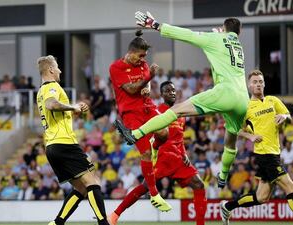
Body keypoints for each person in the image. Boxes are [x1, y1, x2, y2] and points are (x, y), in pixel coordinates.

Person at [114, 11, 249, 188]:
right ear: (238, 32)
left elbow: (188, 35)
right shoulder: (238, 46)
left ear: (223, 29)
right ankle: (223, 175)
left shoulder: (216, 39)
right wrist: (221, 35)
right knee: (230, 141)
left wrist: (155, 25)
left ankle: (136, 134)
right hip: (243, 99)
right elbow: (224, 48)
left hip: (225, 92)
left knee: (175, 111)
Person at [219, 70, 293, 225]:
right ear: (249, 86)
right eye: (255, 82)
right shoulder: (246, 107)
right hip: (264, 154)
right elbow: (233, 128)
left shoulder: (273, 100)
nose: (258, 84)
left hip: (275, 153)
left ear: (264, 84)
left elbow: (289, 116)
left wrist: (284, 117)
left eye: (260, 82)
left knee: (261, 197)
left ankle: (227, 206)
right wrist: (250, 136)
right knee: (291, 187)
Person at [107, 81, 207, 225]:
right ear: (162, 94)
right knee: (144, 187)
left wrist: (184, 153)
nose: (171, 92)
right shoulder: (157, 110)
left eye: (173, 90)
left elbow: (180, 137)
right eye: (167, 91)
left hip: (178, 159)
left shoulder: (181, 113)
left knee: (199, 184)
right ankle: (115, 215)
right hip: (162, 157)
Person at [36, 55, 110, 225]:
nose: (60, 70)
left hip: (52, 147)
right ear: (51, 70)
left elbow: (53, 109)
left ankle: (57, 223)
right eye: (58, 67)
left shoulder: (40, 91)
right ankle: (103, 223)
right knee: (93, 182)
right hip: (64, 143)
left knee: (81, 187)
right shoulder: (51, 86)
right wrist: (73, 106)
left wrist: (73, 111)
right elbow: (52, 105)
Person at [109, 30, 170, 211]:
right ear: (131, 52)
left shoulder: (142, 64)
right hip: (131, 113)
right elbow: (131, 89)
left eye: (145, 56)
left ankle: (154, 145)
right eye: (140, 55)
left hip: (147, 107)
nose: (143, 59)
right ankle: (154, 193)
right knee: (145, 154)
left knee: (164, 133)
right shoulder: (116, 67)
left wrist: (148, 85)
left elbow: (144, 84)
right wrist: (148, 78)